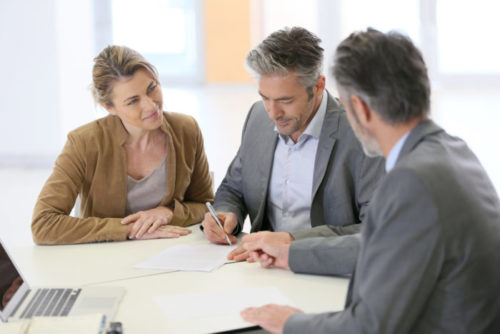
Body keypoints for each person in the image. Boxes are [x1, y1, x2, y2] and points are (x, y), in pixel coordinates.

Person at [240, 28, 500, 333]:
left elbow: (369, 328)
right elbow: (381, 247)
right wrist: (291, 253)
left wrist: (290, 323)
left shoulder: (411, 182)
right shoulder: (453, 151)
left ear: (360, 108)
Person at [201, 27, 385, 267]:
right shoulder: (257, 117)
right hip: (260, 268)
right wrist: (227, 214)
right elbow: (234, 189)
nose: (272, 112)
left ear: (318, 86)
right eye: (265, 97)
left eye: (286, 101)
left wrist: (292, 242)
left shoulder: (361, 134)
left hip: (325, 270)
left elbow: (378, 229)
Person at [32, 45, 214, 245]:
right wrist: (129, 229)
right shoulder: (84, 142)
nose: (151, 105)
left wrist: (168, 212)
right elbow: (44, 224)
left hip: (173, 254)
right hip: (107, 261)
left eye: (152, 88)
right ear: (109, 107)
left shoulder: (186, 129)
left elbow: (207, 205)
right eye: (133, 101)